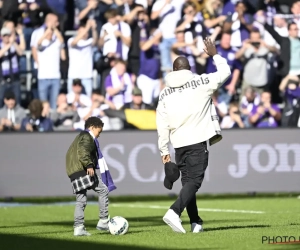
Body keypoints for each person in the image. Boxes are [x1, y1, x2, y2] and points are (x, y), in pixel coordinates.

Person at [156, 37, 231, 233]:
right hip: (197, 141)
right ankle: (174, 211)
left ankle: (195, 222)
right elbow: (225, 72)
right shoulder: (200, 81)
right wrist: (214, 55)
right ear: (189, 69)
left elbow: (161, 123)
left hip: (179, 144)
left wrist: (164, 150)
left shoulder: (164, 93)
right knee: (195, 182)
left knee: (188, 184)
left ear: (173, 71)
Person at [66, 116, 114, 236]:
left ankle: (78, 227)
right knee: (103, 190)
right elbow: (83, 151)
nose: (99, 135)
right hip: (83, 170)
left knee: (80, 200)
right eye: (99, 131)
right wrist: (89, 165)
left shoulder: (79, 137)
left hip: (74, 172)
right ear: (92, 127)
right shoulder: (87, 137)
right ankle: (103, 221)